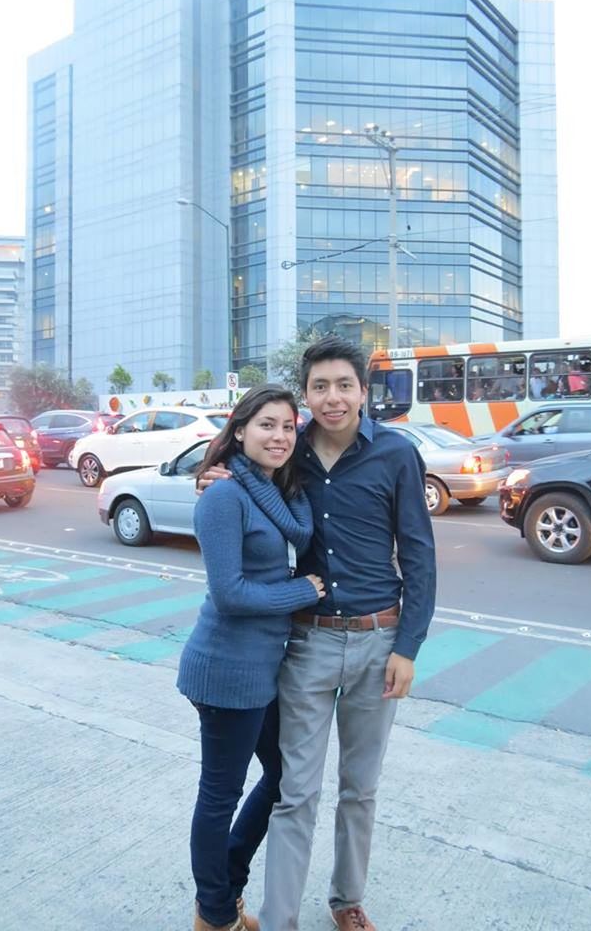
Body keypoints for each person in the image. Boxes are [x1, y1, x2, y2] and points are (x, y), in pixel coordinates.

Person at [201, 336, 436, 931]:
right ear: (307, 393)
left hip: (379, 641)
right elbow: (239, 478)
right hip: (305, 642)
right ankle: (279, 919)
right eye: (320, 386)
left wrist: (408, 646)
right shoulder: (288, 450)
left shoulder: (397, 455)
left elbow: (419, 556)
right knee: (295, 791)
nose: (332, 398)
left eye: (344, 385)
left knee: (360, 787)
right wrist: (213, 476)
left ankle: (347, 899)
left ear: (363, 390)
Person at [178, 384, 326, 931]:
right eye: (267, 424)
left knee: (285, 775)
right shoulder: (223, 496)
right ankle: (215, 914)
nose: (280, 436)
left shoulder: (278, 495)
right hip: (225, 670)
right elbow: (231, 594)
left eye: (289, 426)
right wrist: (303, 590)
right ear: (239, 430)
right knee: (220, 795)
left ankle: (225, 888)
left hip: (261, 670)